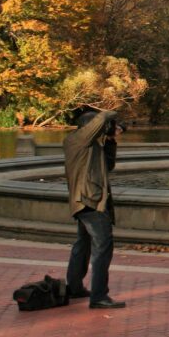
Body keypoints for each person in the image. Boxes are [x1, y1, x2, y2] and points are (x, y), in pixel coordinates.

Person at [64, 109, 126, 309]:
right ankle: (99, 296)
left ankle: (74, 287)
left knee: (83, 244)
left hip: (87, 200)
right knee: (103, 246)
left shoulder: (91, 145)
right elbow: (100, 120)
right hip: (89, 200)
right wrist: (112, 111)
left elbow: (108, 166)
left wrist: (110, 140)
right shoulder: (78, 139)